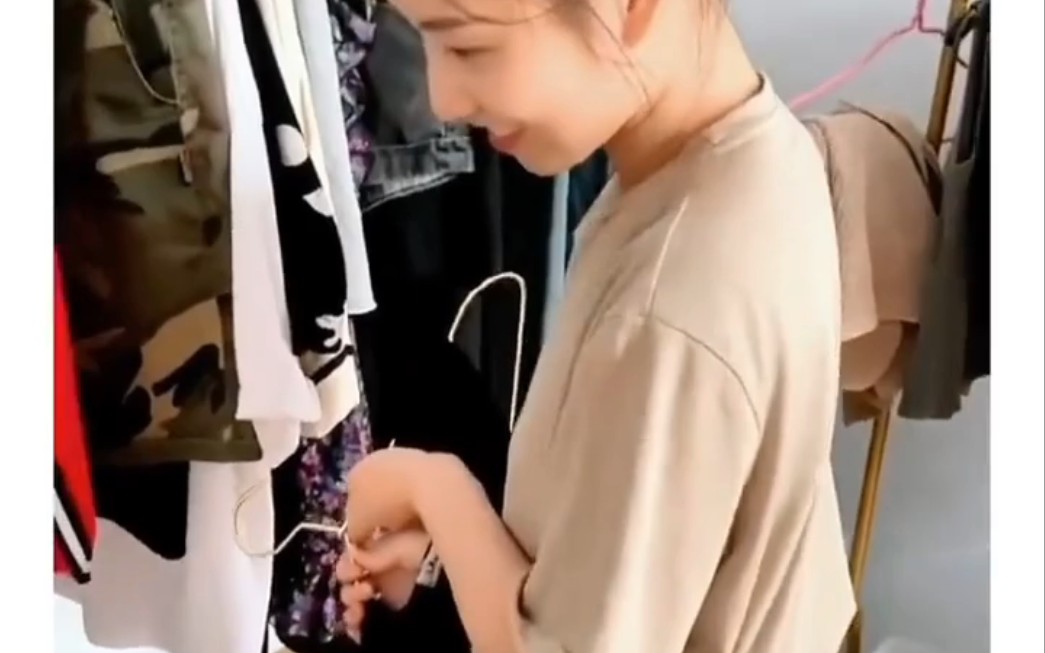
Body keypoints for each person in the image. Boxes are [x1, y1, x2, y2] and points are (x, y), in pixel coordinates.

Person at [336, 0, 856, 650]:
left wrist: (437, 489)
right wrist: (451, 558)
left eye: (468, 46)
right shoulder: (757, 156)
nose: (442, 101)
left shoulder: (667, 305)